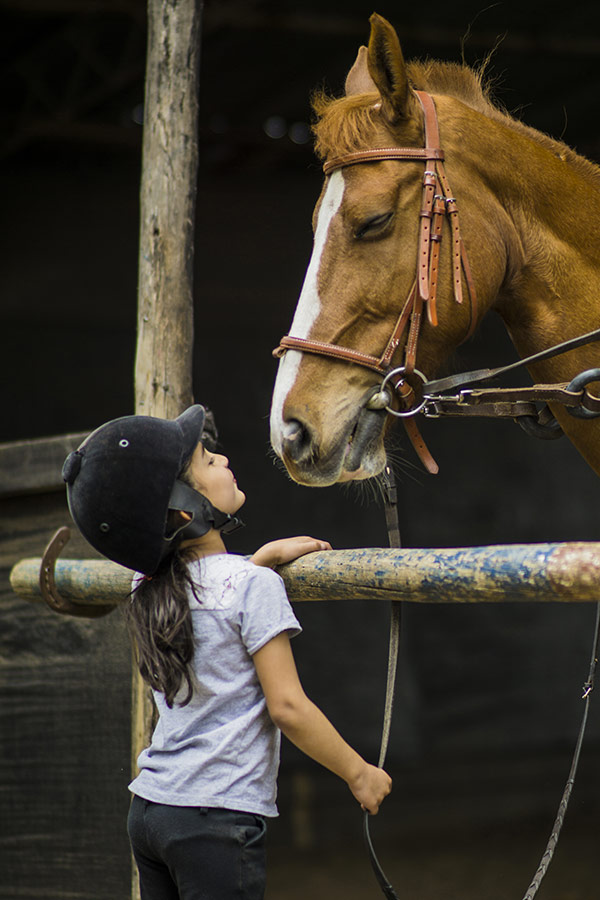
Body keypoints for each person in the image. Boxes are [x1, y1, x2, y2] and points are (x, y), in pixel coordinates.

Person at [62, 404, 391, 900]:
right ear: (181, 509)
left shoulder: (144, 586)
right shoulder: (251, 587)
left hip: (152, 810)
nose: (222, 458)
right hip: (215, 821)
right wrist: (358, 773)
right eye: (207, 460)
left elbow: (205, 597)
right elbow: (288, 707)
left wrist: (256, 561)